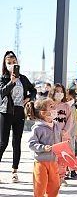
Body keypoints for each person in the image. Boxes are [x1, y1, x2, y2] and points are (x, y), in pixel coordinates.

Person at [0, 51, 36, 183]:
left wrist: (29, 98)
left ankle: (14, 172)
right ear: (5, 64)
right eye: (9, 63)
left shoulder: (24, 78)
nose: (12, 65)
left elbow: (34, 90)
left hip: (19, 112)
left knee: (17, 143)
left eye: (14, 62)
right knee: (2, 143)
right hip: (6, 112)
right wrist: (11, 82)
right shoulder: (3, 78)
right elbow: (3, 92)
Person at [26, 97, 61, 197]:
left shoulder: (56, 125)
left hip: (54, 161)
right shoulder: (37, 128)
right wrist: (42, 148)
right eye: (51, 106)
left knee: (55, 186)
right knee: (40, 186)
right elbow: (31, 144)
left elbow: (60, 143)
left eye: (54, 106)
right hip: (41, 162)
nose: (54, 108)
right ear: (43, 113)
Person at [48, 83, 72, 187]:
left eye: (61, 92)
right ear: (53, 92)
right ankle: (52, 177)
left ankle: (62, 177)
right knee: (52, 157)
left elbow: (70, 120)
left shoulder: (66, 106)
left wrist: (65, 131)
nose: (60, 93)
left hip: (64, 136)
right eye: (57, 91)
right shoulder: (49, 105)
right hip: (51, 136)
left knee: (62, 157)